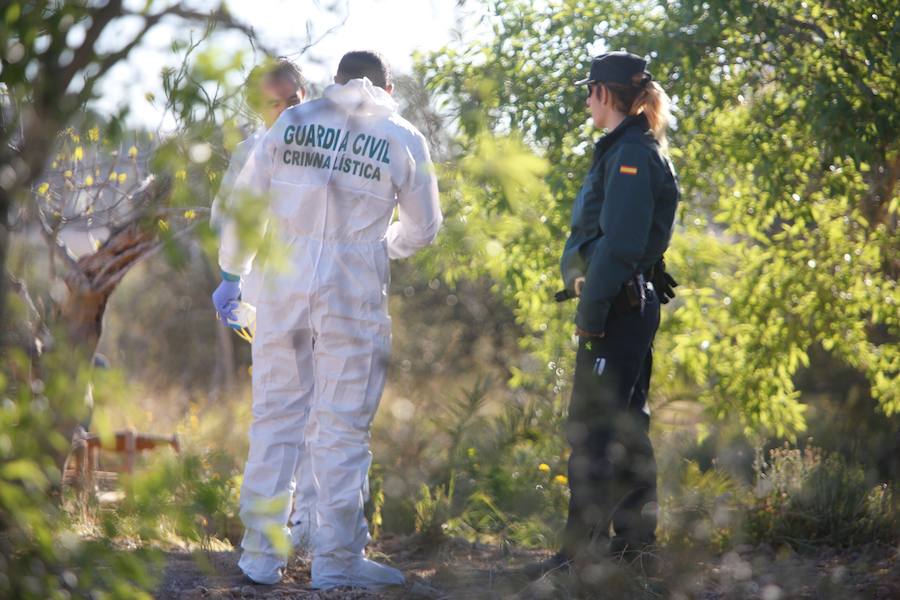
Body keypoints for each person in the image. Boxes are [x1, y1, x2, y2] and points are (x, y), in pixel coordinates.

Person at [211, 50, 442, 588]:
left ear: (332, 82)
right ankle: (336, 564)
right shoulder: (403, 135)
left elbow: (245, 206)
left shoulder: (293, 123)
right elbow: (424, 228)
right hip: (352, 297)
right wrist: (383, 245)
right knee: (342, 429)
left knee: (275, 420)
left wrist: (232, 272)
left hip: (283, 292)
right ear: (388, 86)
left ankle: (260, 558)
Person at [527, 51, 680, 578]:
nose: (585, 100)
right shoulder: (626, 148)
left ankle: (580, 559)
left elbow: (619, 245)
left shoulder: (633, 153)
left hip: (617, 310)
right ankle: (635, 552)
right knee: (625, 426)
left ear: (603, 94)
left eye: (588, 91)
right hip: (624, 306)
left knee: (592, 431)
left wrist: (589, 315)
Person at [209, 57, 319, 555]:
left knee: (326, 419)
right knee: (278, 416)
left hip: (325, 299)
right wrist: (234, 283)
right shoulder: (250, 152)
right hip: (268, 303)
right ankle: (271, 537)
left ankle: (315, 533)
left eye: (290, 102)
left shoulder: (326, 150)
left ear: (306, 95)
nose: (280, 113)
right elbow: (227, 220)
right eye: (270, 104)